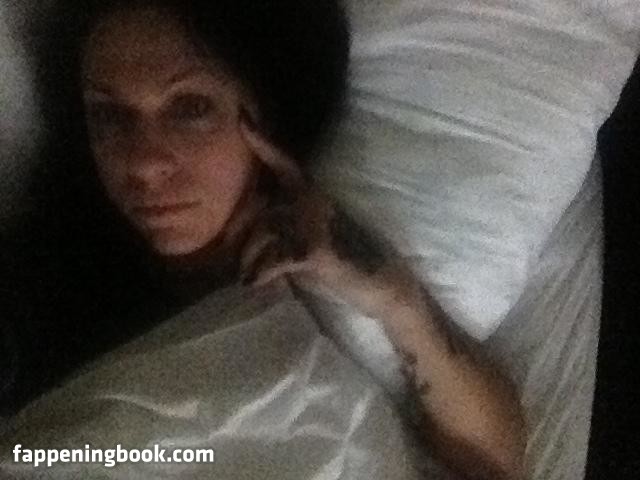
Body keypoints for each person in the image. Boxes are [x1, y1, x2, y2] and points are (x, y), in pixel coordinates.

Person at [11, 0, 526, 478]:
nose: (145, 164)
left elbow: (492, 462)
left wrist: (393, 296)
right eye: (110, 115)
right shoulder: (34, 293)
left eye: (190, 108)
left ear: (267, 117)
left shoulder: (315, 289)